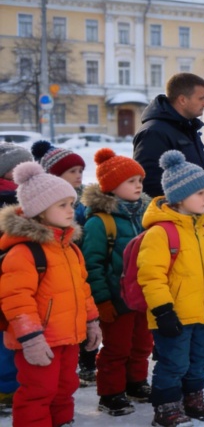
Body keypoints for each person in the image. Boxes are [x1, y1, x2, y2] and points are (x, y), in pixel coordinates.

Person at [133, 72, 204, 376]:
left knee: (198, 286)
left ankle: (196, 358)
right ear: (182, 99)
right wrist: (177, 215)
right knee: (176, 290)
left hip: (195, 222)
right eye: (201, 98)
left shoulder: (185, 128)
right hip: (174, 226)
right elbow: (148, 181)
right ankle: (174, 360)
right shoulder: (156, 132)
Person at [0, 161, 102, 426]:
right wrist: (31, 338)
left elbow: (83, 290)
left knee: (66, 387)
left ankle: (62, 421)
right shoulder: (25, 252)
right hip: (39, 341)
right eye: (63, 205)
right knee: (38, 392)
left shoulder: (70, 248)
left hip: (69, 337)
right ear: (39, 210)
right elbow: (16, 300)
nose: (72, 210)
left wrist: (91, 322)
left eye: (71, 203)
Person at [138, 150, 204, 426]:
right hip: (173, 316)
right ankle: (166, 408)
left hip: (203, 314)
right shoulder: (160, 233)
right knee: (173, 363)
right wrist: (163, 311)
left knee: (199, 359)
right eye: (200, 193)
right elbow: (151, 276)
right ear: (180, 197)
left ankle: (193, 399)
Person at [81, 149, 153, 416]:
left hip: (144, 298)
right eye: (130, 181)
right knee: (116, 348)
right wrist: (102, 300)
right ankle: (110, 393)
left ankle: (135, 383)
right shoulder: (100, 222)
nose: (138, 186)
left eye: (139, 180)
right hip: (116, 300)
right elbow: (92, 265)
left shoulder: (146, 215)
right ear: (112, 187)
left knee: (142, 345)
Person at [30, 140, 97, 386]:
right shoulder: (47, 205)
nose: (79, 175)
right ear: (55, 175)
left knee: (84, 315)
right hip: (58, 263)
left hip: (80, 262)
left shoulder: (86, 198)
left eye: (81, 170)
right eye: (72, 171)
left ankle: (88, 362)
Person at [0, 143, 33, 414]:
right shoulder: (13, 196)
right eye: (17, 166)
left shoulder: (27, 195)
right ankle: (7, 387)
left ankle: (9, 385)